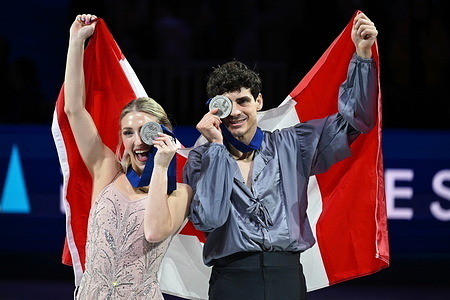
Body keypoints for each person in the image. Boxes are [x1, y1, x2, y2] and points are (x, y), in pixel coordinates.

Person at [183, 12, 378, 300]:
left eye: (243, 101)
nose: (235, 112)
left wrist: (362, 56)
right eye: (225, 104)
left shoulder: (293, 145)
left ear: (258, 101)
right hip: (231, 280)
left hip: (285, 276)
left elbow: (356, 121)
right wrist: (214, 148)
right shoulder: (201, 159)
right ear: (214, 108)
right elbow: (208, 220)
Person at [64, 14, 192, 299]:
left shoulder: (180, 193)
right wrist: (76, 42)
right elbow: (73, 109)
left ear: (163, 131)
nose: (137, 141)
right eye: (127, 133)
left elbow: (155, 232)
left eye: (145, 131)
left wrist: (160, 167)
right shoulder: (106, 169)